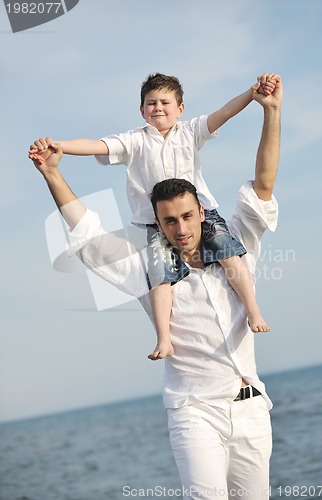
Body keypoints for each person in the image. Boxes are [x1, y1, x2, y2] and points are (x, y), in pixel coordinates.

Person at [29, 74, 283, 499]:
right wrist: (52, 173)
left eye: (186, 217)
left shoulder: (237, 245)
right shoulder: (147, 268)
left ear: (201, 212)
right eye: (168, 220)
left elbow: (263, 185)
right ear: (156, 223)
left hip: (252, 406)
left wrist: (271, 112)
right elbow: (90, 237)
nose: (180, 228)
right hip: (194, 412)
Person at [29, 72, 276, 362]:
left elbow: (224, 113)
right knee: (159, 279)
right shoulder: (133, 140)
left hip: (204, 214)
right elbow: (96, 145)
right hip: (154, 226)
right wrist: (60, 147)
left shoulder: (191, 131)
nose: (158, 108)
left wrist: (252, 94)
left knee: (231, 256)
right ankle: (164, 337)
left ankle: (253, 310)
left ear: (180, 108)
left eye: (165, 102)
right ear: (142, 110)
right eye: (151, 103)